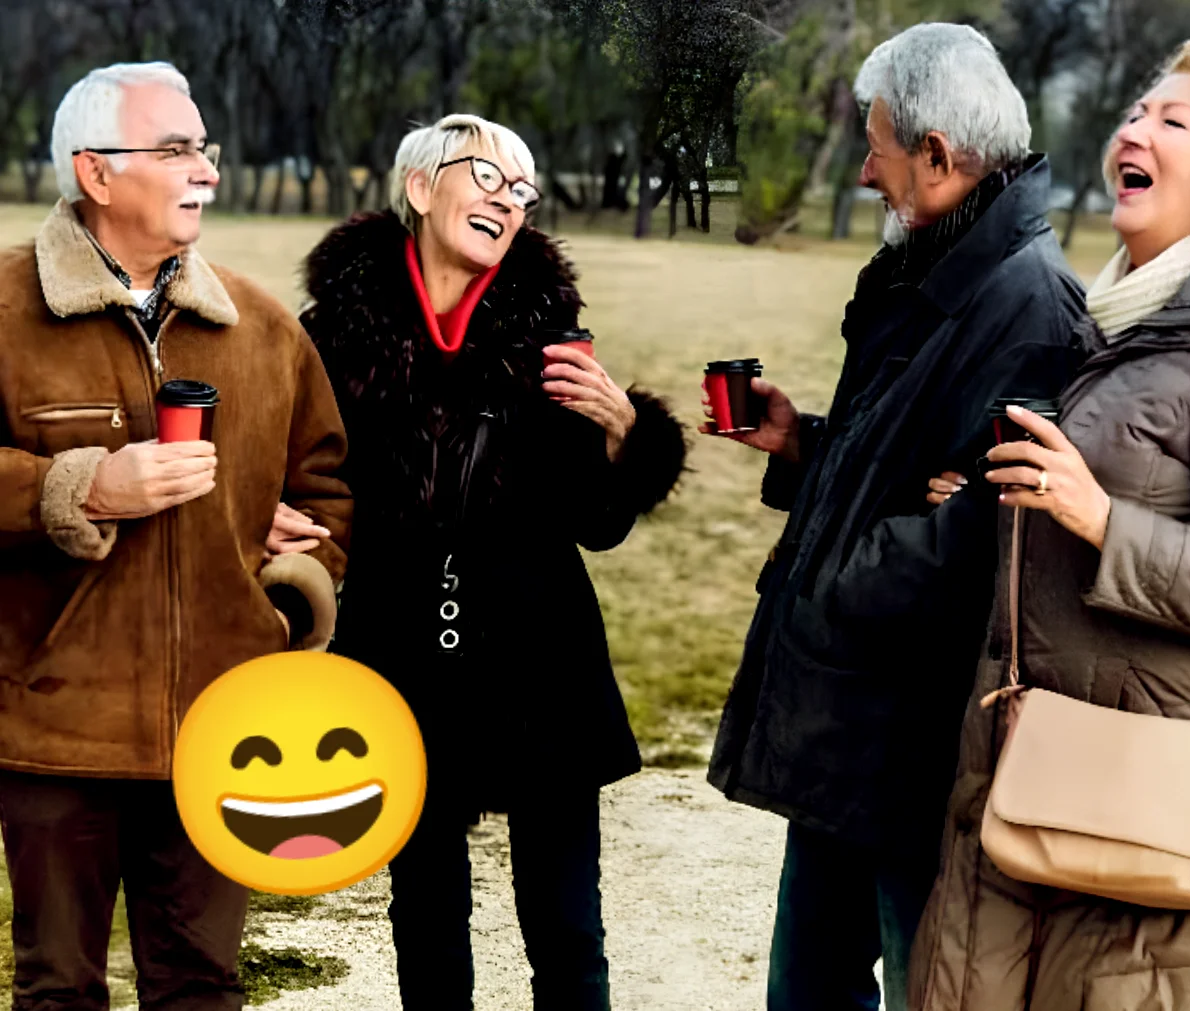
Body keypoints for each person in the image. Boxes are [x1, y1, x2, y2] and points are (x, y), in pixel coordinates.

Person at [908, 38, 1190, 1011]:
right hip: (1054, 781)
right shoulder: (1119, 321)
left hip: (1155, 833)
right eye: (1134, 112)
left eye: (1173, 120)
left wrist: (1099, 520)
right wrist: (1009, 517)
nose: (1134, 128)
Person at [705, 23, 1089, 1011]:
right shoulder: (922, 275)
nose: (867, 167)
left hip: (921, 745)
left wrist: (837, 584)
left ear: (938, 154)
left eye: (877, 144)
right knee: (806, 994)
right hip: (850, 732)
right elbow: (908, 468)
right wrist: (805, 447)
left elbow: (990, 526)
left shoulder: (1032, 306)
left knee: (930, 991)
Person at [298, 114, 685, 1011]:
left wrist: (626, 438)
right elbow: (307, 481)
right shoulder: (332, 335)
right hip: (398, 653)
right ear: (421, 187)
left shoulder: (551, 332)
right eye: (487, 176)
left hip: (540, 659)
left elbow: (599, 524)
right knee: (424, 916)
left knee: (565, 926)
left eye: (523, 190)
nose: (508, 200)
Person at [0, 62, 351, 1010]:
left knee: (201, 986)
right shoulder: (1, 313)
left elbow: (327, 488)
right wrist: (80, 488)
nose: (206, 169)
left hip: (222, 727)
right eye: (176, 148)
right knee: (58, 988)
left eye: (205, 148)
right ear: (96, 174)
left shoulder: (265, 328)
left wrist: (288, 582)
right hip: (53, 728)